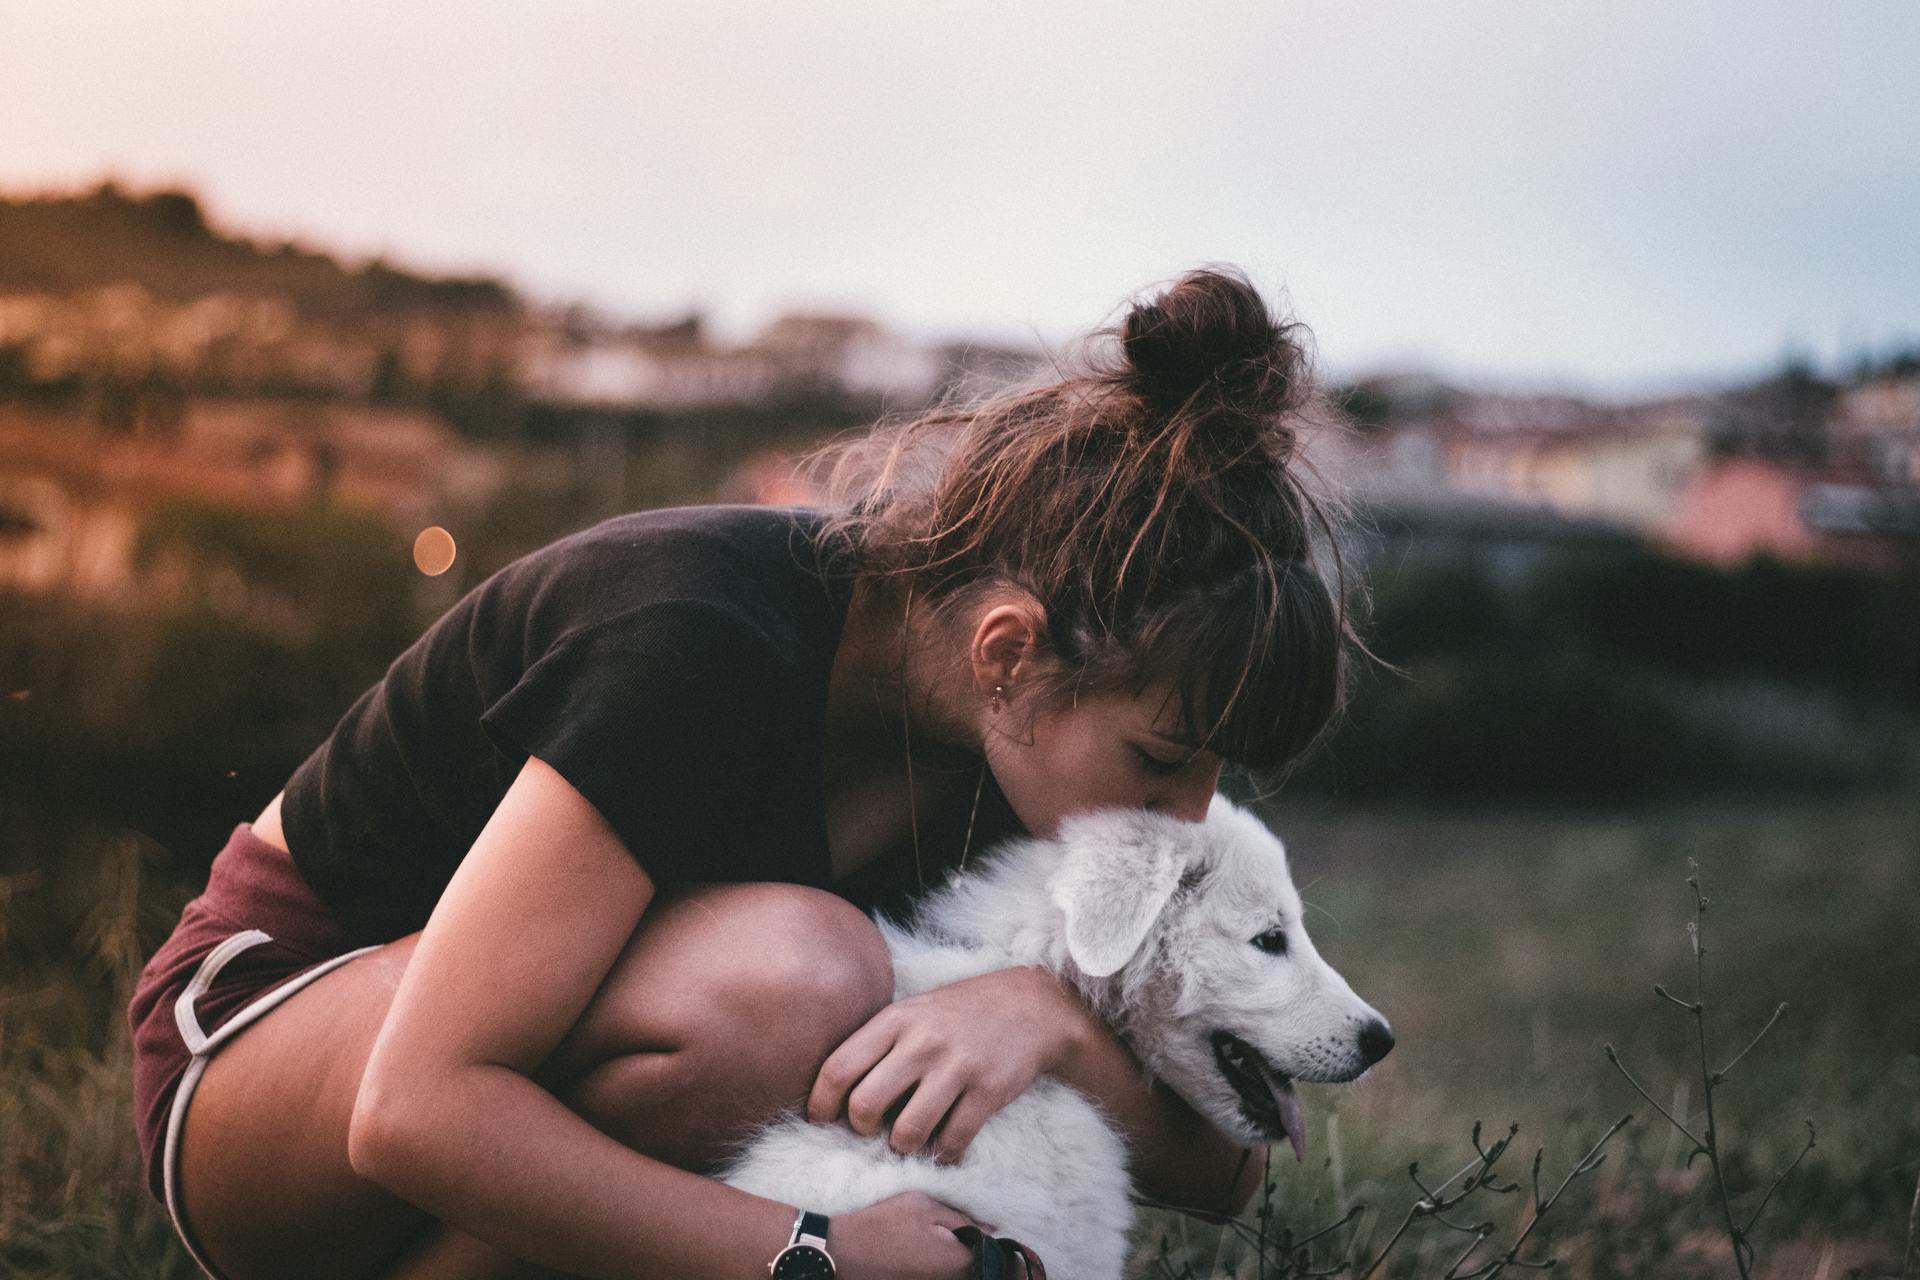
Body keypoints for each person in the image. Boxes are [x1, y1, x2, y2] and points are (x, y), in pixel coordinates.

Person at [127, 266, 1357, 1280]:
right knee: (798, 978)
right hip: (260, 1079)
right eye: (1160, 759)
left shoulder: (1012, 758)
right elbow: (412, 1107)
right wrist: (817, 1252)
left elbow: (1224, 1168)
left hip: (454, 1125)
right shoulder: (701, 637)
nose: (1185, 818)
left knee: (818, 991)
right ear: (1008, 653)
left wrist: (1045, 1026)